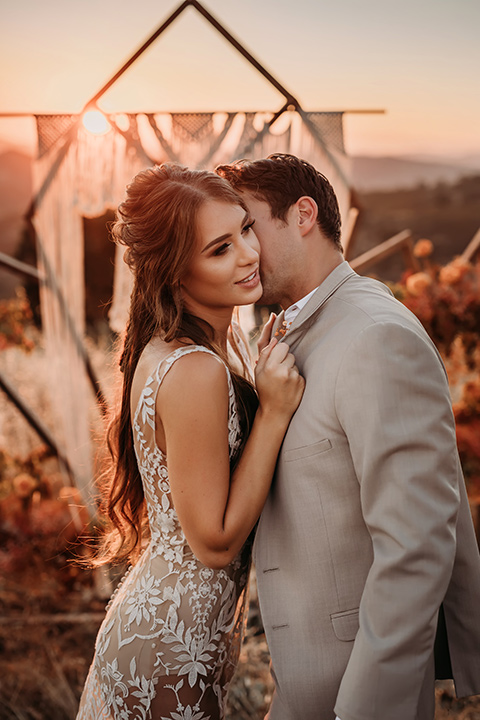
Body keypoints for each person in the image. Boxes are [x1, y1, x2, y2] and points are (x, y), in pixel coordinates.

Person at [216, 153, 480, 720]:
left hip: (357, 695)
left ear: (303, 214)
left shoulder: (376, 337)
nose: (242, 250)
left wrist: (364, 709)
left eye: (248, 226)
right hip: (301, 685)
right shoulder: (287, 328)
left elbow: (417, 548)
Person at [75, 163, 304, 720]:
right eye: (220, 249)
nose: (249, 254)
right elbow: (215, 543)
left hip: (174, 628)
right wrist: (273, 413)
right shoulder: (197, 370)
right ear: (177, 272)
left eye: (246, 229)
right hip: (171, 647)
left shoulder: (180, 346)